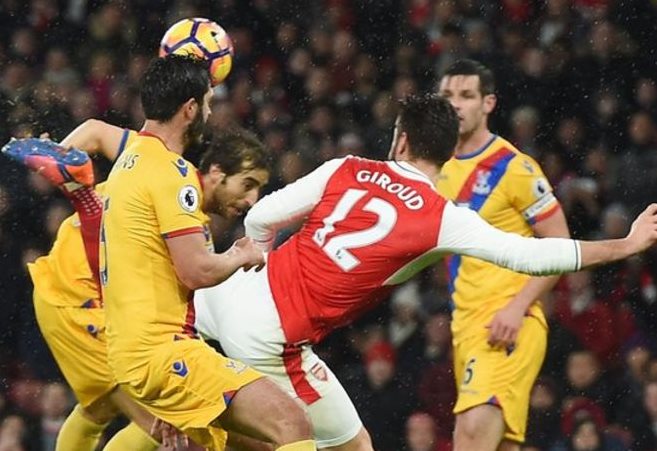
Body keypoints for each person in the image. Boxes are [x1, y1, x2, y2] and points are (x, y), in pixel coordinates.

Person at [193, 93, 657, 450]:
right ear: (450, 153)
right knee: (345, 445)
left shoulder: (346, 167)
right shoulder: (442, 218)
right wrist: (625, 244)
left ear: (401, 140)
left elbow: (258, 217)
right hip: (272, 337)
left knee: (178, 404)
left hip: (223, 293)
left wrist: (260, 260)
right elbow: (529, 255)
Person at [14, 117, 272, 450]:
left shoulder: (160, 171)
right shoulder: (167, 173)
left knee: (103, 410)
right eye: (248, 184)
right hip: (80, 296)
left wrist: (63, 157)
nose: (252, 199)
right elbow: (94, 130)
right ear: (217, 173)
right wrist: (63, 156)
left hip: (81, 295)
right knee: (172, 430)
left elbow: (94, 131)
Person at [98, 54, 314, 450]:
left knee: (258, 445)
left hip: (134, 352)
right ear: (190, 108)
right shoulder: (170, 171)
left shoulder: (128, 163)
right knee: (292, 422)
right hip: (162, 352)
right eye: (209, 103)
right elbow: (197, 271)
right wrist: (241, 254)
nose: (211, 113)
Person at [435, 59, 569, 451]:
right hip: (465, 326)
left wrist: (519, 306)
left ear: (488, 103)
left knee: (472, 432)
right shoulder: (436, 169)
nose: (455, 105)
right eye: (447, 96)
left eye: (466, 96)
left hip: (509, 322)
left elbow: (560, 247)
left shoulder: (515, 168)